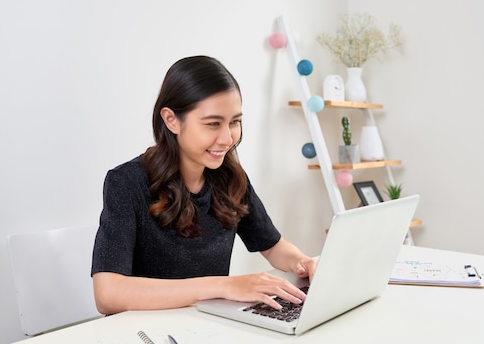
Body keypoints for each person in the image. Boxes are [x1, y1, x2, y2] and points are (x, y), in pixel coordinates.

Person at [92, 55, 316, 315]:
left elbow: (273, 246)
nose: (227, 138)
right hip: (145, 333)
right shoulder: (126, 183)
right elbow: (108, 295)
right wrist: (224, 286)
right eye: (213, 124)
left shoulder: (229, 177)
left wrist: (304, 262)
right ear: (171, 120)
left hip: (207, 329)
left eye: (234, 122)